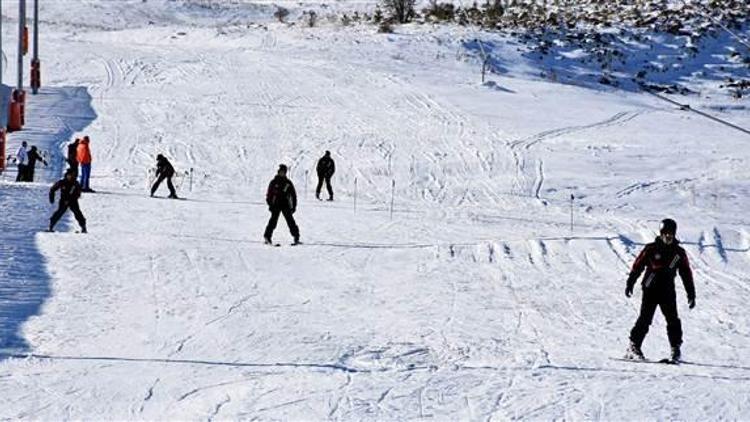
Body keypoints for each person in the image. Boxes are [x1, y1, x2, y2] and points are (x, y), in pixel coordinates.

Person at [625, 218, 696, 362]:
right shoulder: (651, 249)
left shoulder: (678, 253)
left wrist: (691, 293)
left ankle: (675, 349)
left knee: (673, 320)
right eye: (666, 233)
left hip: (667, 291)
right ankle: (634, 346)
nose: (669, 236)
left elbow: (686, 273)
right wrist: (630, 282)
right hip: (650, 289)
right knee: (645, 319)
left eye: (671, 234)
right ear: (661, 233)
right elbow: (637, 266)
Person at [264, 164, 300, 245]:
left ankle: (296, 236)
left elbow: (293, 195)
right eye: (281, 172)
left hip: (285, 204)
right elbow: (269, 195)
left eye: (284, 172)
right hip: (276, 204)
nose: (282, 173)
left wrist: (294, 206)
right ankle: (267, 236)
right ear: (278, 172)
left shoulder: (288, 183)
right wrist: (270, 204)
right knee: (273, 221)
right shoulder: (274, 182)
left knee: (290, 221)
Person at [49, 168, 87, 233]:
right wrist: (52, 198)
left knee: (77, 212)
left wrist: (73, 198)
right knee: (59, 212)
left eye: (71, 175)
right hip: (63, 200)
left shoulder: (75, 183)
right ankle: (51, 226)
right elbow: (52, 189)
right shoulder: (62, 182)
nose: (70, 177)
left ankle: (83, 227)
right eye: (69, 175)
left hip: (73, 200)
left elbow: (78, 193)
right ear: (66, 175)